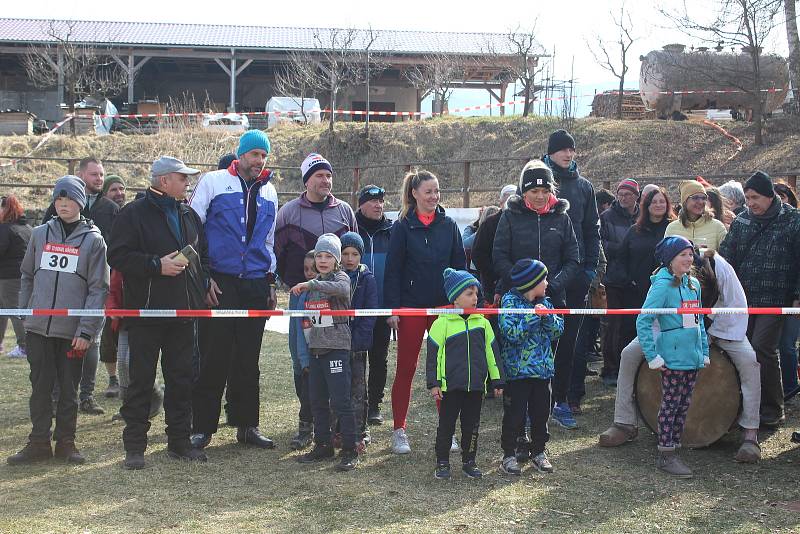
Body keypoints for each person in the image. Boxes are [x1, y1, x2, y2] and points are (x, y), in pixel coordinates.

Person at [599, 245, 764, 463]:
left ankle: (750, 435)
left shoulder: (722, 269)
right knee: (629, 354)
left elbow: (735, 307)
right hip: (670, 328)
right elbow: (652, 318)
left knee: (750, 362)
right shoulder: (663, 277)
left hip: (721, 326)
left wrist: (709, 337)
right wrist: (657, 350)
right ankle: (624, 422)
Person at [108, 156, 209, 469]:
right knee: (140, 382)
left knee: (181, 379)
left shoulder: (189, 214)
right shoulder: (132, 214)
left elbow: (200, 256)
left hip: (184, 312)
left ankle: (179, 442)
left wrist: (201, 287)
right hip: (147, 312)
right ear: (164, 180)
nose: (188, 182)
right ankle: (135, 446)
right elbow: (118, 256)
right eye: (183, 177)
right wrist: (156, 265)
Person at [7, 175, 109, 466]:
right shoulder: (40, 234)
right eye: (59, 199)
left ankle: (66, 441)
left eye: (70, 199)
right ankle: (38, 441)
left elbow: (98, 288)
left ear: (81, 202)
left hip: (73, 332)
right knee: (39, 387)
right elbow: (26, 275)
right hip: (38, 329)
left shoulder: (94, 241)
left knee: (68, 388)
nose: (63, 204)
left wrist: (86, 330)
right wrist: (27, 313)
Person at [189, 130, 279, 450]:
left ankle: (247, 425)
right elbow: (191, 230)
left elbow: (268, 242)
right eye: (255, 154)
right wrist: (202, 276)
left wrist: (270, 280)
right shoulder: (212, 182)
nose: (259, 161)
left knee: (247, 359)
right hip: (220, 280)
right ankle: (202, 427)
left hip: (254, 282)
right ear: (241, 154)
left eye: (264, 156)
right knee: (214, 355)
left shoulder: (270, 192)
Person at [492, 159, 580, 428]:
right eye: (533, 192)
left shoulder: (562, 218)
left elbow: (573, 259)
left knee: (560, 351)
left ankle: (560, 402)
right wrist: (523, 287)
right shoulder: (510, 216)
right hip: (518, 301)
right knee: (520, 351)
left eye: (545, 191)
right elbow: (499, 256)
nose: (540, 196)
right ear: (523, 192)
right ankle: (523, 408)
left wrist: (552, 285)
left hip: (554, 297)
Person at [383, 169, 466, 454]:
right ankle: (399, 430)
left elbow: (460, 268)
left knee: (444, 370)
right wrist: (393, 308)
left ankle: (448, 431)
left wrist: (460, 302)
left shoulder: (449, 225)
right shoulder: (402, 227)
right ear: (415, 194)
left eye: (437, 191)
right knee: (406, 368)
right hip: (411, 306)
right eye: (429, 191)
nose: (434, 196)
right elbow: (392, 270)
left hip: (444, 308)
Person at [719, 171, 800, 427]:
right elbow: (726, 258)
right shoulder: (742, 221)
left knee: (762, 349)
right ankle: (742, 404)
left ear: (769, 196)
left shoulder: (794, 221)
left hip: (777, 299)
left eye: (755, 197)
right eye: (747, 197)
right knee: (741, 351)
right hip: (742, 300)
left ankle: (773, 409)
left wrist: (798, 295)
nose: (750, 202)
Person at [44, 157, 119, 415]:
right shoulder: (57, 207)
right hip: (63, 287)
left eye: (101, 174)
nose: (99, 178)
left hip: (96, 283)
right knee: (59, 342)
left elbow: (115, 243)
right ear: (80, 174)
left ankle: (86, 395)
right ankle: (57, 396)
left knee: (92, 342)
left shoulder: (109, 209)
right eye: (94, 174)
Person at [636, 236, 708, 478]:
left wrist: (704, 351)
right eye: (682, 255)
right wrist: (652, 356)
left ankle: (674, 445)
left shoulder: (693, 285)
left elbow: (699, 323)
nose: (689, 259)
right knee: (670, 405)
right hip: (672, 358)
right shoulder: (661, 286)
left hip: (692, 357)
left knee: (683, 404)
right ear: (670, 260)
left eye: (690, 254)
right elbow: (643, 321)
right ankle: (666, 454)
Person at [542, 129, 601, 429]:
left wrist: (590, 268)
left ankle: (561, 400)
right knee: (538, 340)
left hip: (575, 276)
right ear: (551, 152)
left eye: (571, 149)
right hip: (542, 278)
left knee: (569, 342)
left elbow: (591, 229)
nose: (568, 154)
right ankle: (535, 404)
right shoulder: (537, 181)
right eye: (562, 149)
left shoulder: (584, 187)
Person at [426, 268, 503, 480]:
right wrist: (434, 383)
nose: (475, 298)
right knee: (446, 426)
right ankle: (442, 462)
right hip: (450, 388)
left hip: (476, 387)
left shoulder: (484, 323)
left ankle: (469, 461)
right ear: (455, 300)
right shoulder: (441, 323)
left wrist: (497, 380)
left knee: (472, 427)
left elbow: (492, 354)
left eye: (476, 293)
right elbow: (433, 357)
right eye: (469, 293)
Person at [292, 234, 359, 472]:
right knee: (317, 400)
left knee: (341, 400)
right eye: (319, 255)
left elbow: (341, 289)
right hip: (316, 350)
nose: (322, 260)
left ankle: (350, 449)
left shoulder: (340, 278)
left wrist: (312, 284)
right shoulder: (314, 285)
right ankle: (322, 444)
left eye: (328, 256)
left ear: (336, 260)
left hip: (337, 349)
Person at [498, 259, 564, 476]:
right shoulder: (509, 302)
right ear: (531, 282)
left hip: (543, 371)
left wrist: (546, 317)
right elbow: (511, 334)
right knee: (514, 414)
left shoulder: (547, 302)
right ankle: (509, 453)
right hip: (518, 373)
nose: (547, 283)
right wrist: (533, 319)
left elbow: (557, 331)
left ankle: (539, 451)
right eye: (543, 279)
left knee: (541, 413)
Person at [274, 153, 357, 290]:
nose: (325, 180)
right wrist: (289, 281)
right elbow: (278, 253)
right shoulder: (288, 212)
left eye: (328, 175)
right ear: (306, 181)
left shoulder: (345, 210)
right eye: (319, 176)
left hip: (337, 293)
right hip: (300, 292)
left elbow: (356, 250)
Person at [355, 184, 392, 424]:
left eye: (381, 201)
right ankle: (357, 401)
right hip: (356, 305)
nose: (379, 205)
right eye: (373, 201)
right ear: (361, 205)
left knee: (379, 357)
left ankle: (375, 405)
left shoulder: (392, 230)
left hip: (383, 305)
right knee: (357, 356)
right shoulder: (351, 228)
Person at [599, 178, 640, 387]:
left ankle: (633, 366)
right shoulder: (607, 217)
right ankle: (610, 367)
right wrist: (624, 248)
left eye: (628, 194)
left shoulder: (643, 216)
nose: (624, 198)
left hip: (637, 278)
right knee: (613, 324)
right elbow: (602, 244)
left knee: (634, 324)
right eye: (621, 194)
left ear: (636, 196)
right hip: (614, 277)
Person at [340, 232, 377, 450]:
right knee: (338, 389)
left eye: (354, 254)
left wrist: (359, 341)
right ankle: (339, 430)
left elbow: (370, 314)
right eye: (345, 253)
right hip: (336, 344)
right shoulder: (334, 278)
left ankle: (361, 430)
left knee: (358, 390)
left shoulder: (367, 279)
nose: (350, 258)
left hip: (358, 346)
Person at [288, 252, 316, 451]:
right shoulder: (296, 293)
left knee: (311, 397)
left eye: (313, 269)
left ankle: (307, 430)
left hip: (316, 356)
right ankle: (308, 429)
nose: (309, 274)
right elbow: (294, 330)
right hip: (300, 355)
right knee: (302, 393)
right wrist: (298, 359)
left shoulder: (324, 292)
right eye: (306, 269)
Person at [774, 182, 799, 399]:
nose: (779, 201)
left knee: (787, 345)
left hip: (793, 297)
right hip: (772, 296)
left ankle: (791, 387)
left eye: (782, 196)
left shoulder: (796, 222)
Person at [0, 195, 32, 358]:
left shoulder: (5, 229)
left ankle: (24, 346)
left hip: (8, 277)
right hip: (22, 275)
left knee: (14, 311)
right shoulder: (27, 228)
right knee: (3, 310)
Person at [665, 180, 727, 252]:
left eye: (703, 198)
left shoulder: (718, 227)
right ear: (685, 201)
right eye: (695, 198)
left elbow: (725, 259)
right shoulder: (672, 228)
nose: (700, 202)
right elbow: (666, 257)